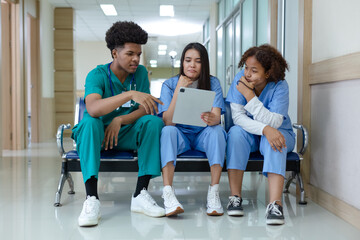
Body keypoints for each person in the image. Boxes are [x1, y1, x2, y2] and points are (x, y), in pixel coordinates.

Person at [72, 21, 166, 227]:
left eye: (139, 54)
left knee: (152, 122)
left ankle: (140, 194)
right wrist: (129, 94)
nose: (136, 59)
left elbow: (145, 107)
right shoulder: (97, 75)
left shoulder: (139, 73)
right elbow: (93, 108)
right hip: (98, 135)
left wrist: (120, 119)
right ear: (115, 53)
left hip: (125, 133)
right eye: (130, 53)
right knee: (89, 122)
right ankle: (91, 199)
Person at [226, 44, 295, 225]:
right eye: (246, 68)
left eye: (254, 70)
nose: (247, 74)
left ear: (267, 73)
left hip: (280, 131)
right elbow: (238, 117)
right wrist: (264, 129)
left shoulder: (280, 86)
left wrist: (249, 95)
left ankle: (275, 204)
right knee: (234, 133)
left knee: (276, 140)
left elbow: (275, 122)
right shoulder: (239, 80)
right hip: (252, 132)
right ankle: (235, 197)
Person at [158, 42, 226, 217]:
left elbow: (217, 116)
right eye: (188, 60)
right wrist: (179, 89)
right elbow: (168, 121)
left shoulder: (213, 82)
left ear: (204, 64)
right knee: (167, 132)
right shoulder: (169, 84)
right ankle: (168, 194)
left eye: (197, 61)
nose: (192, 65)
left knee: (218, 131)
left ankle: (214, 192)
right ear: (182, 63)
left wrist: (213, 118)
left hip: (203, 133)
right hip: (180, 134)